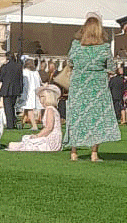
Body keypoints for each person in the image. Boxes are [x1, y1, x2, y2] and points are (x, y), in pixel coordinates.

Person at [63, 13, 120, 162]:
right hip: (97, 86)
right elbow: (112, 68)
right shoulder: (104, 48)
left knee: (77, 117)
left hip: (78, 85)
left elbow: (70, 62)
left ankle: (74, 152)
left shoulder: (76, 46)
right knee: (96, 119)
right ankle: (94, 153)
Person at [7, 85, 62, 152]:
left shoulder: (50, 109)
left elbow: (49, 128)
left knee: (25, 141)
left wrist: (38, 136)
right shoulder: (51, 109)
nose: (40, 99)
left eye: (41, 97)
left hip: (51, 140)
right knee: (26, 138)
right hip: (52, 139)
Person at [0, 51, 23, 131]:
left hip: (7, 88)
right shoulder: (18, 66)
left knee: (8, 108)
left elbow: (0, 78)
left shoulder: (4, 67)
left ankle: (10, 124)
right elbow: (20, 79)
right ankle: (13, 121)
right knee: (12, 106)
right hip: (15, 88)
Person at [20, 58, 43, 131]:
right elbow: (40, 81)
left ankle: (34, 125)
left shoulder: (25, 72)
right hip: (36, 91)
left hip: (28, 92)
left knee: (29, 108)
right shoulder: (36, 72)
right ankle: (22, 123)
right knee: (27, 107)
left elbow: (23, 82)